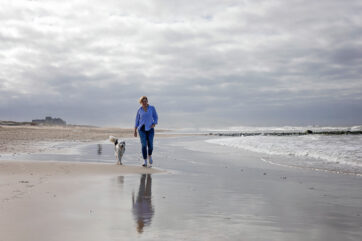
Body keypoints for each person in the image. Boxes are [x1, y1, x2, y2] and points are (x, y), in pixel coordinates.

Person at [134, 96, 158, 167]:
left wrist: (154, 123)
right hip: (141, 129)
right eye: (143, 101)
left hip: (150, 129)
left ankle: (149, 155)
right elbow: (136, 121)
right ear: (141, 102)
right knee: (144, 145)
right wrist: (135, 130)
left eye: (145, 101)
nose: (144, 102)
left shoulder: (152, 108)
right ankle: (145, 161)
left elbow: (155, 117)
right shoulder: (139, 110)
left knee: (150, 146)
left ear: (147, 101)